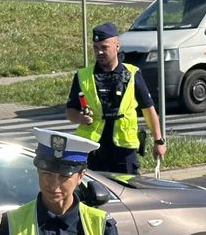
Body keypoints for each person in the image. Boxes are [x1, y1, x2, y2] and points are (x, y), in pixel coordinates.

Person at [0, 128, 124, 235]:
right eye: (47, 174)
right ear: (38, 171)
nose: (54, 185)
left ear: (81, 176)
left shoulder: (102, 224)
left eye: (63, 177)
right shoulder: (13, 222)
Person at [66, 22, 166, 174]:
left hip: (124, 150)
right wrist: (80, 118)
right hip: (93, 148)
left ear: (117, 46)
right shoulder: (83, 76)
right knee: (94, 192)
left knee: (129, 192)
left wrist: (159, 141)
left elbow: (148, 109)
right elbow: (70, 111)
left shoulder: (132, 74)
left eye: (104, 47)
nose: (99, 52)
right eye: (96, 48)